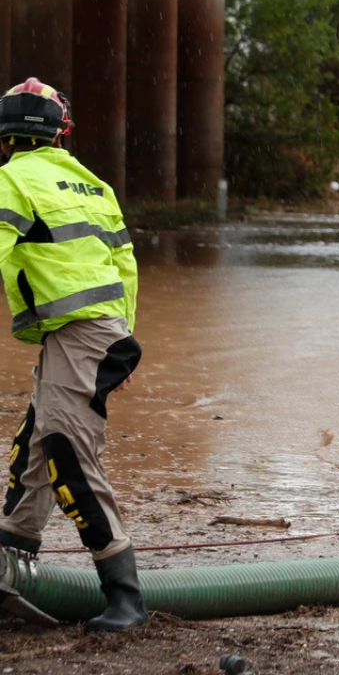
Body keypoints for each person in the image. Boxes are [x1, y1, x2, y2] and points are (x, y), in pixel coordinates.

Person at [0, 78, 144, 631]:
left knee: (66, 450)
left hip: (78, 334)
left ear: (8, 138)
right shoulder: (93, 185)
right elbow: (125, 266)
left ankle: (125, 599)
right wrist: (119, 341)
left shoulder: (13, 181)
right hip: (99, 333)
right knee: (37, 438)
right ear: (61, 133)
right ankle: (14, 547)